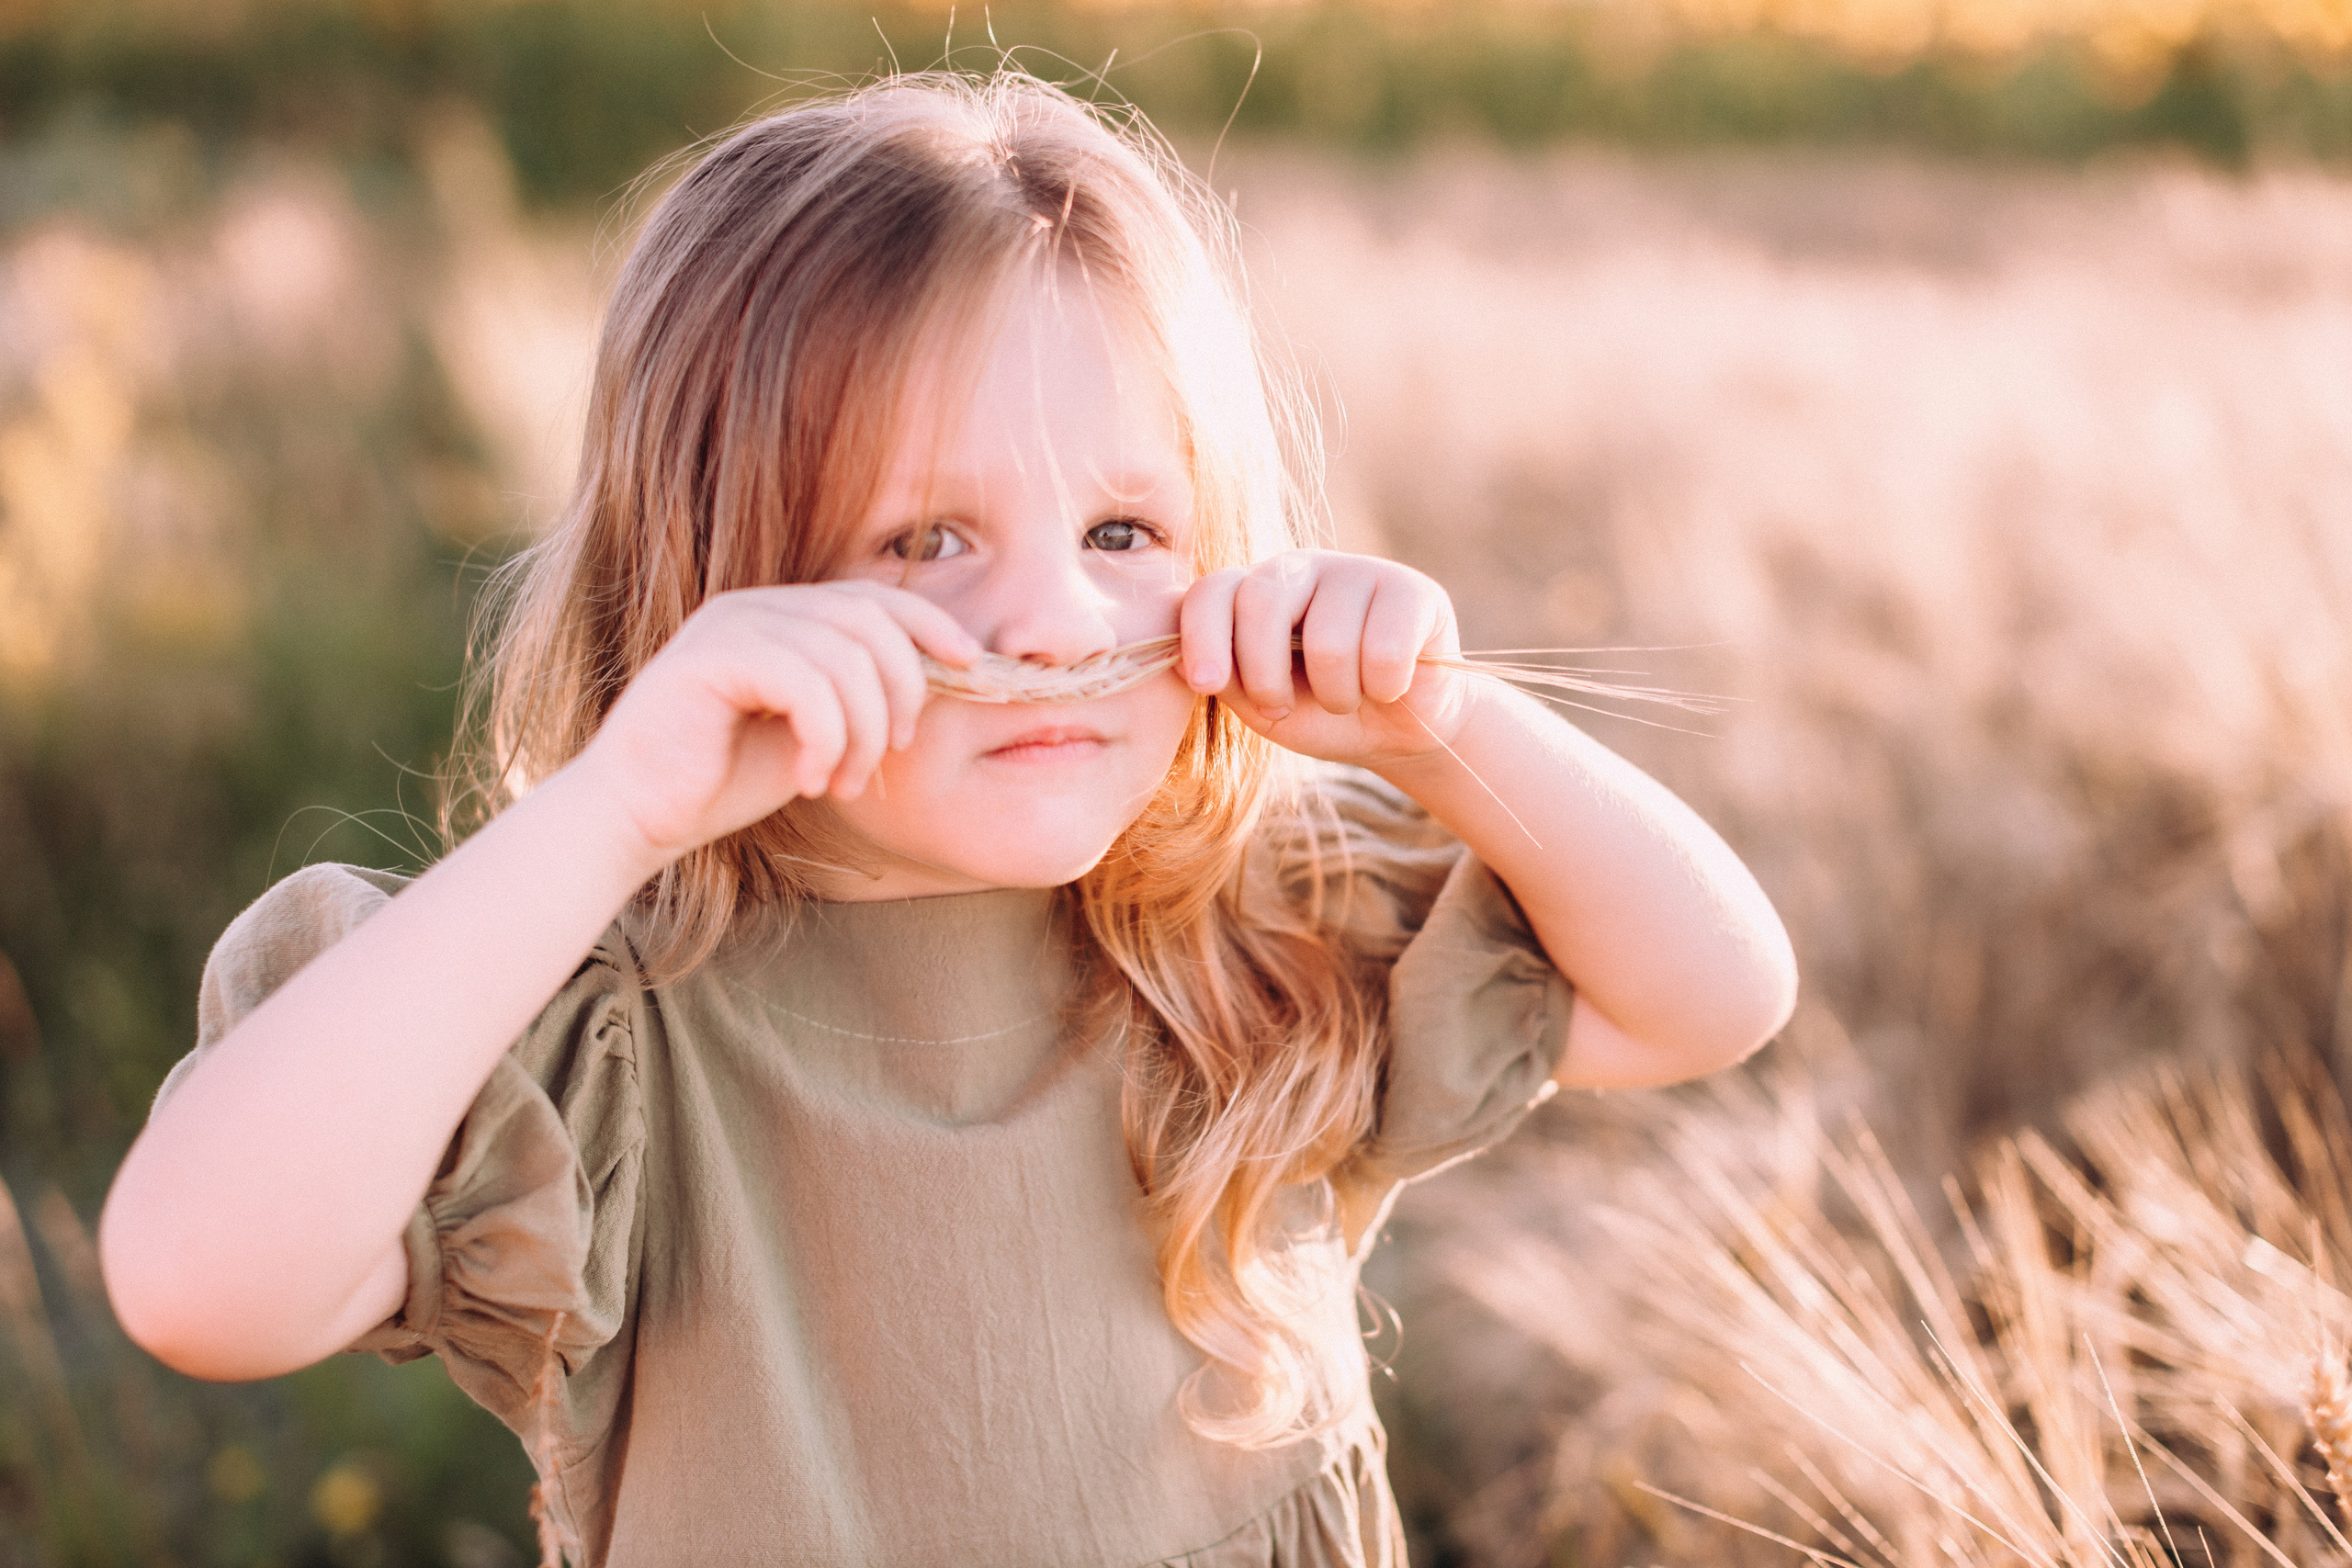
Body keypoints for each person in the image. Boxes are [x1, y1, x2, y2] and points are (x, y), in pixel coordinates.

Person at [98, 71, 1796, 1567]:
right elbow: (200, 1289)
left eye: (1127, 530)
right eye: (925, 542)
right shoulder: (607, 1030)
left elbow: (1715, 999)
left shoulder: (1259, 913)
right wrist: (617, 806)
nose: (1054, 625)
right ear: (715, 581)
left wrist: (1442, 724)